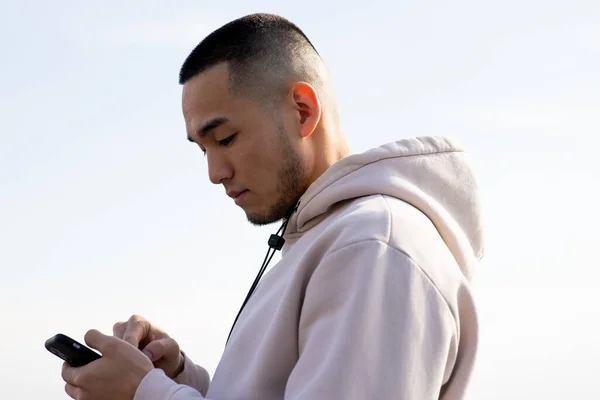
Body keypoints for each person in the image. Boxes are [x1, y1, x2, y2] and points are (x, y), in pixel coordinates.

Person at [59, 13, 484, 400]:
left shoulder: (374, 247)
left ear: (302, 111)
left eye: (225, 139)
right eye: (201, 149)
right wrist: (179, 379)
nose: (214, 172)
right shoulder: (328, 238)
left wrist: (146, 394)